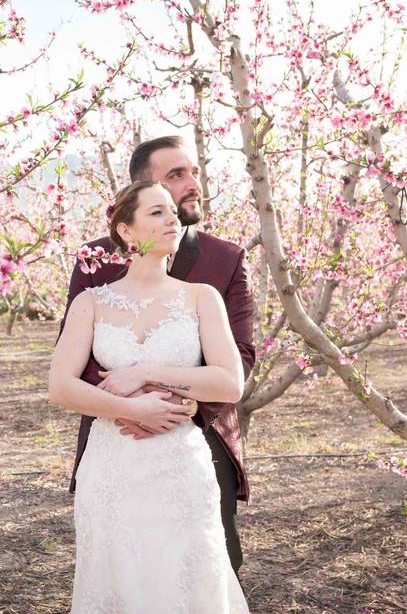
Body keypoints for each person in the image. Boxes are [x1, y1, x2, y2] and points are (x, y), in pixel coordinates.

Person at [58, 136, 256, 578]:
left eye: (192, 172)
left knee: (206, 566)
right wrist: (125, 406)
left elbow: (239, 356)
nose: (191, 184)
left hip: (200, 434)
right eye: (174, 176)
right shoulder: (95, 260)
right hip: (116, 435)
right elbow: (76, 356)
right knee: (119, 568)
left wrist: (175, 400)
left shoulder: (225, 260)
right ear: (137, 196)